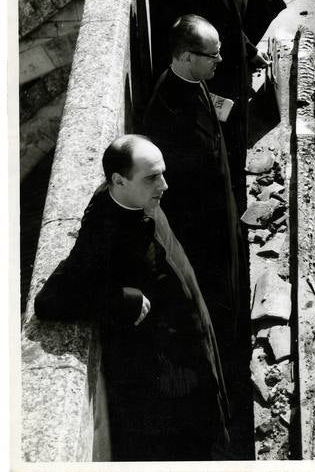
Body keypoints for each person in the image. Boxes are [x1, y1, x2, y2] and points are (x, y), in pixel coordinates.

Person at [34, 135, 229, 462]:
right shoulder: (104, 226)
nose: (164, 185)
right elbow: (50, 300)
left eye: (162, 173)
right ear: (118, 181)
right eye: (152, 177)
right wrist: (123, 301)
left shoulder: (140, 198)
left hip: (193, 332)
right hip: (169, 362)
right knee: (188, 437)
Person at [159, 0, 285, 210]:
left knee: (236, 140)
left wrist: (250, 51)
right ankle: (230, 204)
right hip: (213, 82)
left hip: (233, 75)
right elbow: (191, 51)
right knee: (221, 149)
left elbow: (232, 18)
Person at [144, 15, 242, 354]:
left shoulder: (193, 80)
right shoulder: (167, 109)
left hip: (219, 211)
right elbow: (179, 190)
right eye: (212, 56)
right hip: (203, 230)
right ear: (187, 56)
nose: (220, 61)